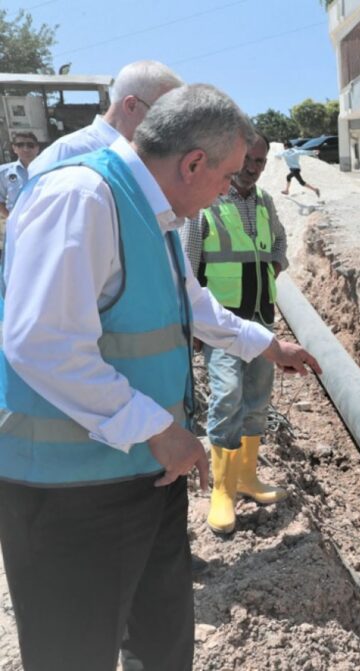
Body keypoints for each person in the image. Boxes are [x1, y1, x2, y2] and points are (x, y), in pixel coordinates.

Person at [0, 83, 321, 671]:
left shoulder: (158, 213)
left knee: (160, 643)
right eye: (227, 175)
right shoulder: (81, 197)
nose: (230, 189)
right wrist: (156, 427)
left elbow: (188, 304)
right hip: (70, 496)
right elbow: (40, 342)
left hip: (145, 476)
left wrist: (267, 345)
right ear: (194, 162)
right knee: (74, 655)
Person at [181, 132, 290, 534]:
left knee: (257, 399)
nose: (253, 168)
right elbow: (188, 262)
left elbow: (278, 240)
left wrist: (274, 265)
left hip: (260, 318)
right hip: (222, 322)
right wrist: (193, 321)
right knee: (228, 396)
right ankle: (222, 492)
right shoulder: (208, 202)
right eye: (249, 159)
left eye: (261, 162)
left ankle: (246, 478)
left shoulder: (265, 202)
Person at [30, 60, 183, 177]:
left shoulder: (151, 157)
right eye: (162, 116)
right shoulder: (69, 152)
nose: (169, 127)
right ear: (131, 105)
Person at [0, 132, 40, 219]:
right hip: (17, 226)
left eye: (30, 145)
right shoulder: (3, 172)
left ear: (37, 148)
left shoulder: (49, 170)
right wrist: (11, 219)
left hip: (43, 222)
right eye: (20, 145)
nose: (25, 149)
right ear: (14, 148)